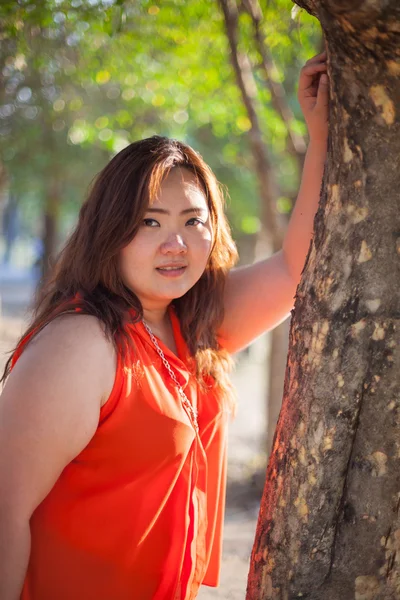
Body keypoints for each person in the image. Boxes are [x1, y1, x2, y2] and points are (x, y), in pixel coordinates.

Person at [0, 51, 329, 600]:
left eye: (192, 221)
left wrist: (318, 136)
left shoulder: (191, 323)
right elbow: (3, 511)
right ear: (112, 231)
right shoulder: (81, 343)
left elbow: (298, 266)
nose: (174, 244)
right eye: (150, 221)